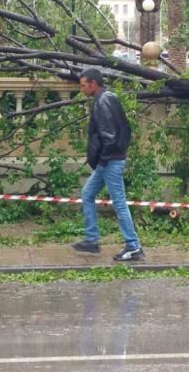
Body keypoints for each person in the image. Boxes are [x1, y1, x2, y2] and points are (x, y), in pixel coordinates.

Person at [71, 68, 144, 261]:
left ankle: (133, 246)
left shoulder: (102, 101)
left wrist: (102, 159)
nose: (82, 90)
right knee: (87, 194)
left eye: (83, 85)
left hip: (110, 160)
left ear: (93, 84)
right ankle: (92, 239)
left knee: (119, 203)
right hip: (111, 159)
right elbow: (124, 129)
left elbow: (109, 135)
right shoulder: (109, 97)